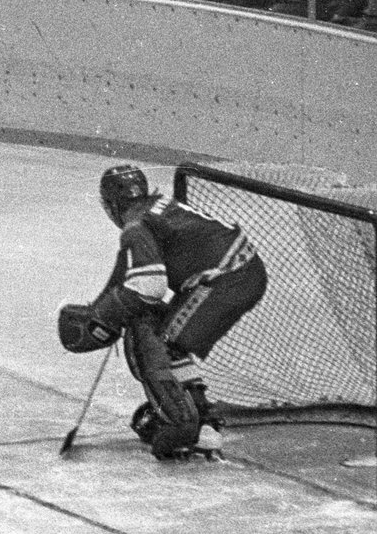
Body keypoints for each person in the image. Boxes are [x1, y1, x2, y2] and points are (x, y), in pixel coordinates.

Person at [57, 164, 267, 460]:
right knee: (168, 337)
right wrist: (104, 308)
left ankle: (183, 425)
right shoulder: (155, 207)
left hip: (226, 281)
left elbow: (150, 286)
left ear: (111, 205)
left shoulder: (135, 225)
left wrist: (111, 314)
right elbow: (126, 276)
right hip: (240, 272)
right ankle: (202, 420)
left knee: (156, 340)